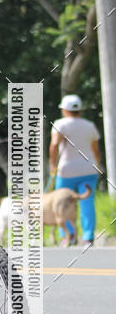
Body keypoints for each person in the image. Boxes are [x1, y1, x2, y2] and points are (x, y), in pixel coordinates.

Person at [49, 93, 102, 245]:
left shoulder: (60, 124)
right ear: (80, 110)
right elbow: (96, 150)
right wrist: (98, 165)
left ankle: (69, 236)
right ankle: (88, 237)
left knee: (63, 204)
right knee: (87, 202)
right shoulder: (90, 125)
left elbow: (54, 146)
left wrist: (53, 165)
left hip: (67, 171)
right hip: (88, 169)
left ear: (65, 110)